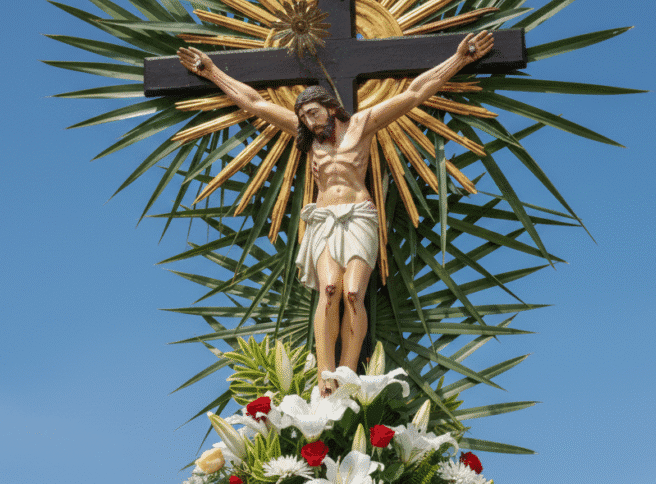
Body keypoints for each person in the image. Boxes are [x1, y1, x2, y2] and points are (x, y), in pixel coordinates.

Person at [177, 30, 494, 395]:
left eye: (313, 113)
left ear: (329, 107)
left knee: (354, 293)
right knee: (328, 289)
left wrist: (461, 58)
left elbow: (415, 92)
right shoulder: (310, 138)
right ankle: (325, 376)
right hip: (324, 219)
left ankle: (347, 371)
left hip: (359, 215)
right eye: (304, 118)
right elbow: (254, 103)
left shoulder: (363, 125)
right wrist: (212, 71)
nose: (310, 123)